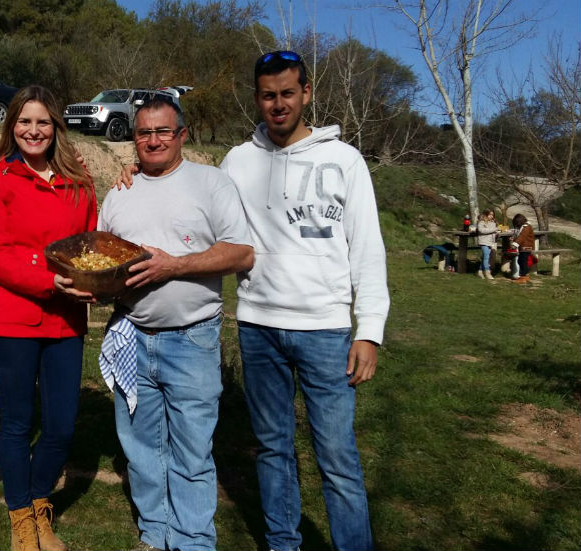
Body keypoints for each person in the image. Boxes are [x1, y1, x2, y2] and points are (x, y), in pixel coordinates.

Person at [219, 50, 390, 551]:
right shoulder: (237, 161)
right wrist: (136, 172)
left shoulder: (345, 160)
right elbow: (201, 209)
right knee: (272, 450)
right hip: (258, 328)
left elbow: (368, 249)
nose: (279, 104)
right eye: (268, 95)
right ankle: (282, 544)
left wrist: (369, 331)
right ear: (257, 98)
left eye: (288, 93)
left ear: (306, 93)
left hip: (326, 332)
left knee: (337, 457)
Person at [98, 95, 254, 551]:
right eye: (144, 132)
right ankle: (154, 533)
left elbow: (241, 252)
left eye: (163, 131)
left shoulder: (211, 183)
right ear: (134, 138)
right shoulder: (120, 192)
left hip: (192, 339)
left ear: (182, 134)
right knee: (141, 449)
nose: (153, 140)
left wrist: (175, 265)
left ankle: (192, 541)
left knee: (191, 450)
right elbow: (102, 258)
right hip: (130, 334)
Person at [0, 85, 97, 551]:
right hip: (13, 321)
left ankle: (40, 500)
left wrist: (94, 280)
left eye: (42, 121)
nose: (33, 130)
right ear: (12, 127)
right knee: (17, 424)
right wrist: (48, 278)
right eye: (24, 121)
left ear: (56, 127)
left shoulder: (78, 181)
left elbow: (90, 241)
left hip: (66, 321)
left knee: (62, 425)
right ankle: (21, 517)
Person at [511, 213, 535, 283]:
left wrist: (514, 244)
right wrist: (514, 239)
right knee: (521, 261)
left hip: (526, 247)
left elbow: (522, 236)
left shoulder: (526, 227)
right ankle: (526, 275)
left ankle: (523, 277)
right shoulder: (524, 227)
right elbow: (519, 236)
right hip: (523, 247)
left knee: (523, 261)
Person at [475, 209, 498, 279]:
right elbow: (482, 230)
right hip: (483, 241)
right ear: (486, 214)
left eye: (492, 215)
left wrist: (496, 232)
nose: (491, 216)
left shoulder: (493, 223)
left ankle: (480, 271)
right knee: (486, 256)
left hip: (490, 242)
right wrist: (494, 229)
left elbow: (493, 231)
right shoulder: (481, 222)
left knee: (485, 257)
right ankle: (487, 273)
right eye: (490, 214)